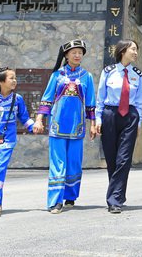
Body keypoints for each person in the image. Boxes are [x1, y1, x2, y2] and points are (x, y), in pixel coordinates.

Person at [33, 39, 97, 214]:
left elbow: (91, 104)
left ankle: (70, 196)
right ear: (66, 55)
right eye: (74, 52)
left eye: (80, 52)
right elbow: (46, 100)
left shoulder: (87, 77)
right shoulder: (57, 75)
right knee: (57, 163)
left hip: (77, 127)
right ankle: (55, 201)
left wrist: (93, 125)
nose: (77, 55)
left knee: (74, 163)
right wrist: (39, 119)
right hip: (57, 125)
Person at [93, 40, 142, 214]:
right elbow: (100, 97)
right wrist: (98, 119)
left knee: (124, 159)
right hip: (109, 114)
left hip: (129, 116)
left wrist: (138, 122)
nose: (135, 52)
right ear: (123, 50)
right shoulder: (108, 72)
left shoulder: (138, 74)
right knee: (112, 158)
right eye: (133, 49)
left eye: (136, 50)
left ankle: (114, 200)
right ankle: (118, 195)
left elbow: (140, 101)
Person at [0, 67, 35, 216]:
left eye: (15, 78)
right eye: (11, 78)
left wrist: (33, 127)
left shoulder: (17, 99)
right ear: (1, 81)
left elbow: (24, 117)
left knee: (0, 168)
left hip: (8, 140)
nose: (14, 81)